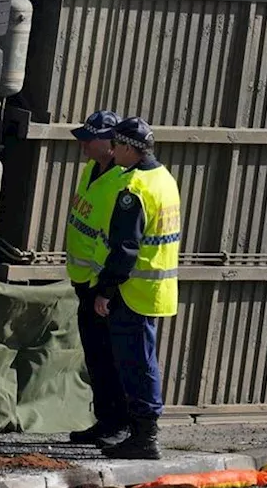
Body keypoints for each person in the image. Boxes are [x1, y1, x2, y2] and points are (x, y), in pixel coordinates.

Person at [92, 117, 181, 460]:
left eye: (116, 146)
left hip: (135, 291)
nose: (112, 152)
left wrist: (106, 290)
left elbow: (125, 247)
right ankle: (141, 433)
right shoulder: (164, 179)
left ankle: (145, 436)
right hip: (155, 287)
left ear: (129, 148)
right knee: (142, 360)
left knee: (137, 363)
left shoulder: (135, 189)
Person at [64, 110, 132, 449]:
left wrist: (105, 286)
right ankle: (105, 420)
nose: (84, 145)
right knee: (96, 357)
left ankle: (120, 424)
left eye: (91, 139)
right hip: (84, 280)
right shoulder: (93, 169)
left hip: (106, 285)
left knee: (113, 357)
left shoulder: (123, 180)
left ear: (113, 143)